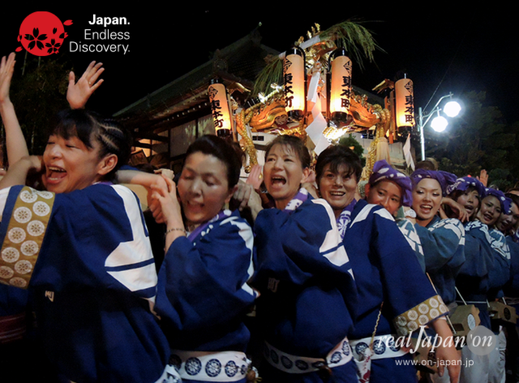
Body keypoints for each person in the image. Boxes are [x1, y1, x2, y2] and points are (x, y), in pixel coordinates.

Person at [0, 52, 176, 382]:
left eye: (69, 146)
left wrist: (24, 166)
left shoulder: (105, 203)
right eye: (51, 143)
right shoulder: (75, 197)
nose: (51, 153)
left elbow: (10, 210)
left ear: (107, 164)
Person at [315, 147, 459, 382]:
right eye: (330, 176)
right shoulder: (311, 219)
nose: (338, 184)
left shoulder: (373, 216)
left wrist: (444, 335)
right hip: (328, 358)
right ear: (317, 179)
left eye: (347, 177)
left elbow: (405, 271)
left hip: (377, 354)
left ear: (358, 182)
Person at [139, 135, 257, 383]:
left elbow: (193, 292)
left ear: (230, 192)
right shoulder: (167, 222)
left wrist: (173, 220)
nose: (194, 190)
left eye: (210, 182)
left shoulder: (235, 231)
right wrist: (152, 181)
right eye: (188, 177)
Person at [251, 135, 358, 382]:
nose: (277, 166)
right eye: (270, 159)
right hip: (276, 365)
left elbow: (280, 255)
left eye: (287, 159)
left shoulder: (317, 209)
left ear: (306, 173)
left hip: (324, 371)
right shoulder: (271, 218)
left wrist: (258, 210)